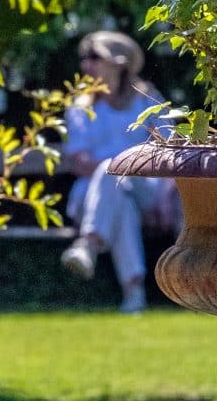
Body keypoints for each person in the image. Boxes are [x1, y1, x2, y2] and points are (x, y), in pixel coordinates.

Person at [58, 30, 177, 313]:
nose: (86, 65)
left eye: (94, 57)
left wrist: (164, 195)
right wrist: (119, 165)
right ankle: (133, 292)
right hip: (92, 195)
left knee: (114, 174)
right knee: (113, 183)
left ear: (117, 63)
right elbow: (81, 162)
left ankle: (88, 245)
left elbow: (170, 149)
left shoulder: (148, 100)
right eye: (84, 58)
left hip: (148, 188)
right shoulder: (80, 107)